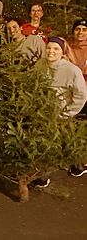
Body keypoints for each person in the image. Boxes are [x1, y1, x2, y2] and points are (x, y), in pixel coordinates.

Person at [34, 37, 87, 185]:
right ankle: (41, 174)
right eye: (49, 48)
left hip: (61, 113)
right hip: (42, 111)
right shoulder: (40, 65)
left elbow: (81, 95)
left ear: (62, 52)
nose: (51, 51)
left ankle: (74, 166)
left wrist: (67, 113)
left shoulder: (72, 70)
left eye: (56, 48)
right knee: (44, 143)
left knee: (59, 142)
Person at [66, 19, 87, 83]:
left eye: (84, 30)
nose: (80, 32)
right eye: (77, 29)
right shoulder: (66, 47)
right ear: (73, 32)